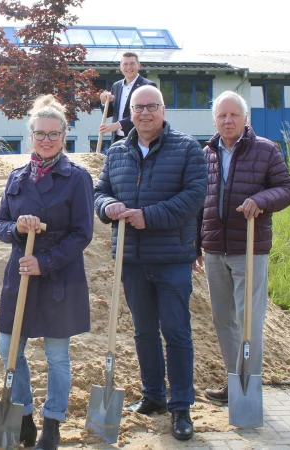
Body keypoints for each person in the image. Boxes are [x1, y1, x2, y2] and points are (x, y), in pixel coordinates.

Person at [93, 85, 206, 441]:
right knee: (143, 331)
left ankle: (181, 406)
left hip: (172, 257)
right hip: (131, 258)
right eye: (138, 107)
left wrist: (149, 216)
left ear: (163, 110)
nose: (144, 113)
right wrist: (107, 206)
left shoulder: (186, 148)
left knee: (176, 331)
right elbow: (100, 192)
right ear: (131, 114)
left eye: (151, 106)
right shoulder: (117, 152)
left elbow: (194, 196)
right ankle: (154, 396)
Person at [0, 95, 94, 450]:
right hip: (20, 273)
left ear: (64, 136)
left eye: (53, 134)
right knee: (8, 348)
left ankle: (52, 425)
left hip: (59, 275)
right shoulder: (17, 177)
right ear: (30, 135)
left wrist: (46, 262)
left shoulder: (77, 177)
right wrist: (17, 228)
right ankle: (24, 418)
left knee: (57, 356)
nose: (46, 140)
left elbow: (83, 233)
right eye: (40, 133)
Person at [199, 91, 290, 404]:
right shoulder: (207, 153)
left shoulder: (265, 150)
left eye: (234, 115)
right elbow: (199, 203)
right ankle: (234, 382)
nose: (228, 121)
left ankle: (248, 386)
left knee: (248, 321)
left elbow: (287, 189)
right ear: (214, 120)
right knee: (223, 319)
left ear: (245, 118)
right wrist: (195, 245)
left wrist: (260, 200)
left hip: (250, 249)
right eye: (222, 115)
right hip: (215, 249)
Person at [98, 52, 157, 146]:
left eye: (132, 63)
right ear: (121, 67)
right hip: (117, 139)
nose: (128, 67)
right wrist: (104, 101)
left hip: (138, 139)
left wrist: (118, 125)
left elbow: (145, 114)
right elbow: (109, 113)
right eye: (125, 64)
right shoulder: (116, 86)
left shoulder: (148, 86)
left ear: (139, 65)